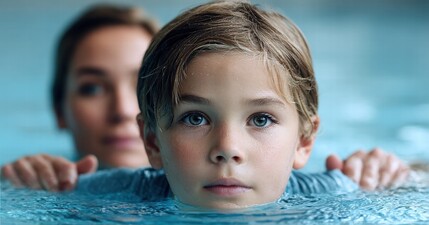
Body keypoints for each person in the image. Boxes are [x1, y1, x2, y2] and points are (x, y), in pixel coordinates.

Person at [0, 3, 409, 193]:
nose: (124, 109)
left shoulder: (325, 188)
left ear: (305, 139)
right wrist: (16, 182)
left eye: (261, 119)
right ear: (153, 137)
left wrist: (396, 171)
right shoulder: (67, 192)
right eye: (194, 117)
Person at [1, 4, 159, 191]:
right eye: (92, 89)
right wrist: (10, 184)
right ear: (59, 111)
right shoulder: (29, 188)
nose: (122, 111)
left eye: (143, 85)